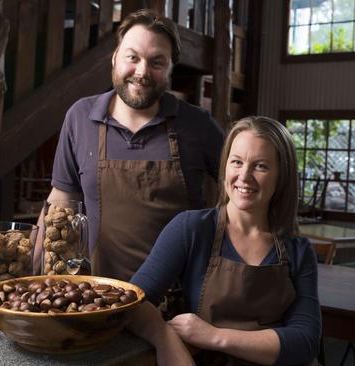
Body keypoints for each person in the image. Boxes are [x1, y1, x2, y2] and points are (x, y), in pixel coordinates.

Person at [33, 9, 224, 281]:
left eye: (157, 62)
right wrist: (30, 271)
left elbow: (242, 192)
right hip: (97, 295)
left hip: (178, 300)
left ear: (170, 69)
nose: (142, 71)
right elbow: (61, 201)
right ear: (115, 58)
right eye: (132, 57)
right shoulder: (80, 117)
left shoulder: (197, 124)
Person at [128, 116, 321, 365]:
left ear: (281, 176)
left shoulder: (299, 251)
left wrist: (215, 336)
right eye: (237, 162)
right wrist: (165, 338)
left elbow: (305, 341)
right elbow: (133, 303)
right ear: (225, 167)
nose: (245, 176)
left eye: (260, 166)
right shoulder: (191, 229)